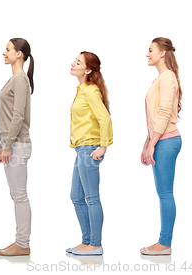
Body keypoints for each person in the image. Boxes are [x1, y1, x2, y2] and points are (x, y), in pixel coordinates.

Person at [66, 52, 112, 256]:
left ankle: (95, 244)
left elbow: (105, 119)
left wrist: (103, 146)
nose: (73, 64)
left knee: (92, 197)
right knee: (76, 196)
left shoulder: (91, 91)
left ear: (88, 69)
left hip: (89, 149)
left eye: (78, 62)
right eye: (74, 61)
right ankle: (87, 242)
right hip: (81, 149)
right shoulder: (82, 90)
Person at [140, 37, 182, 256]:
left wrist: (152, 143)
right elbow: (156, 115)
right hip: (162, 140)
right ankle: (164, 242)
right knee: (163, 193)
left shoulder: (167, 78)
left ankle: (164, 243)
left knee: (165, 193)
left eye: (150, 50)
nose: (147, 54)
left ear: (162, 53)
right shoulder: (162, 78)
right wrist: (147, 143)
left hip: (166, 141)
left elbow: (165, 114)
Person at [0, 38, 34, 256]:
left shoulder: (20, 80)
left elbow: (18, 117)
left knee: (19, 195)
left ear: (19, 54)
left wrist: (8, 145)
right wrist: (1, 144)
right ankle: (20, 242)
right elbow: (7, 115)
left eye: (8, 49)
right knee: (16, 195)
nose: (4, 52)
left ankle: (22, 243)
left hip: (18, 145)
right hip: (11, 144)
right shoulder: (16, 79)